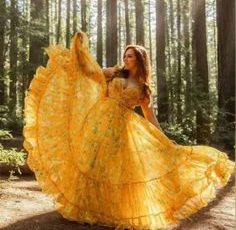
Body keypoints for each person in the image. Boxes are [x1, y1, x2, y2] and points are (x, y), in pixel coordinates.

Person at [23, 31, 235, 230]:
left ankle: (109, 210)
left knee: (114, 170)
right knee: (92, 163)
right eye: (125, 55)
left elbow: (150, 116)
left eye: (130, 56)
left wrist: (164, 140)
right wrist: (80, 51)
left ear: (140, 60)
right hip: (98, 123)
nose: (126, 59)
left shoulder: (143, 88)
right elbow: (89, 72)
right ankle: (83, 208)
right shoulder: (115, 72)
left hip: (122, 131)